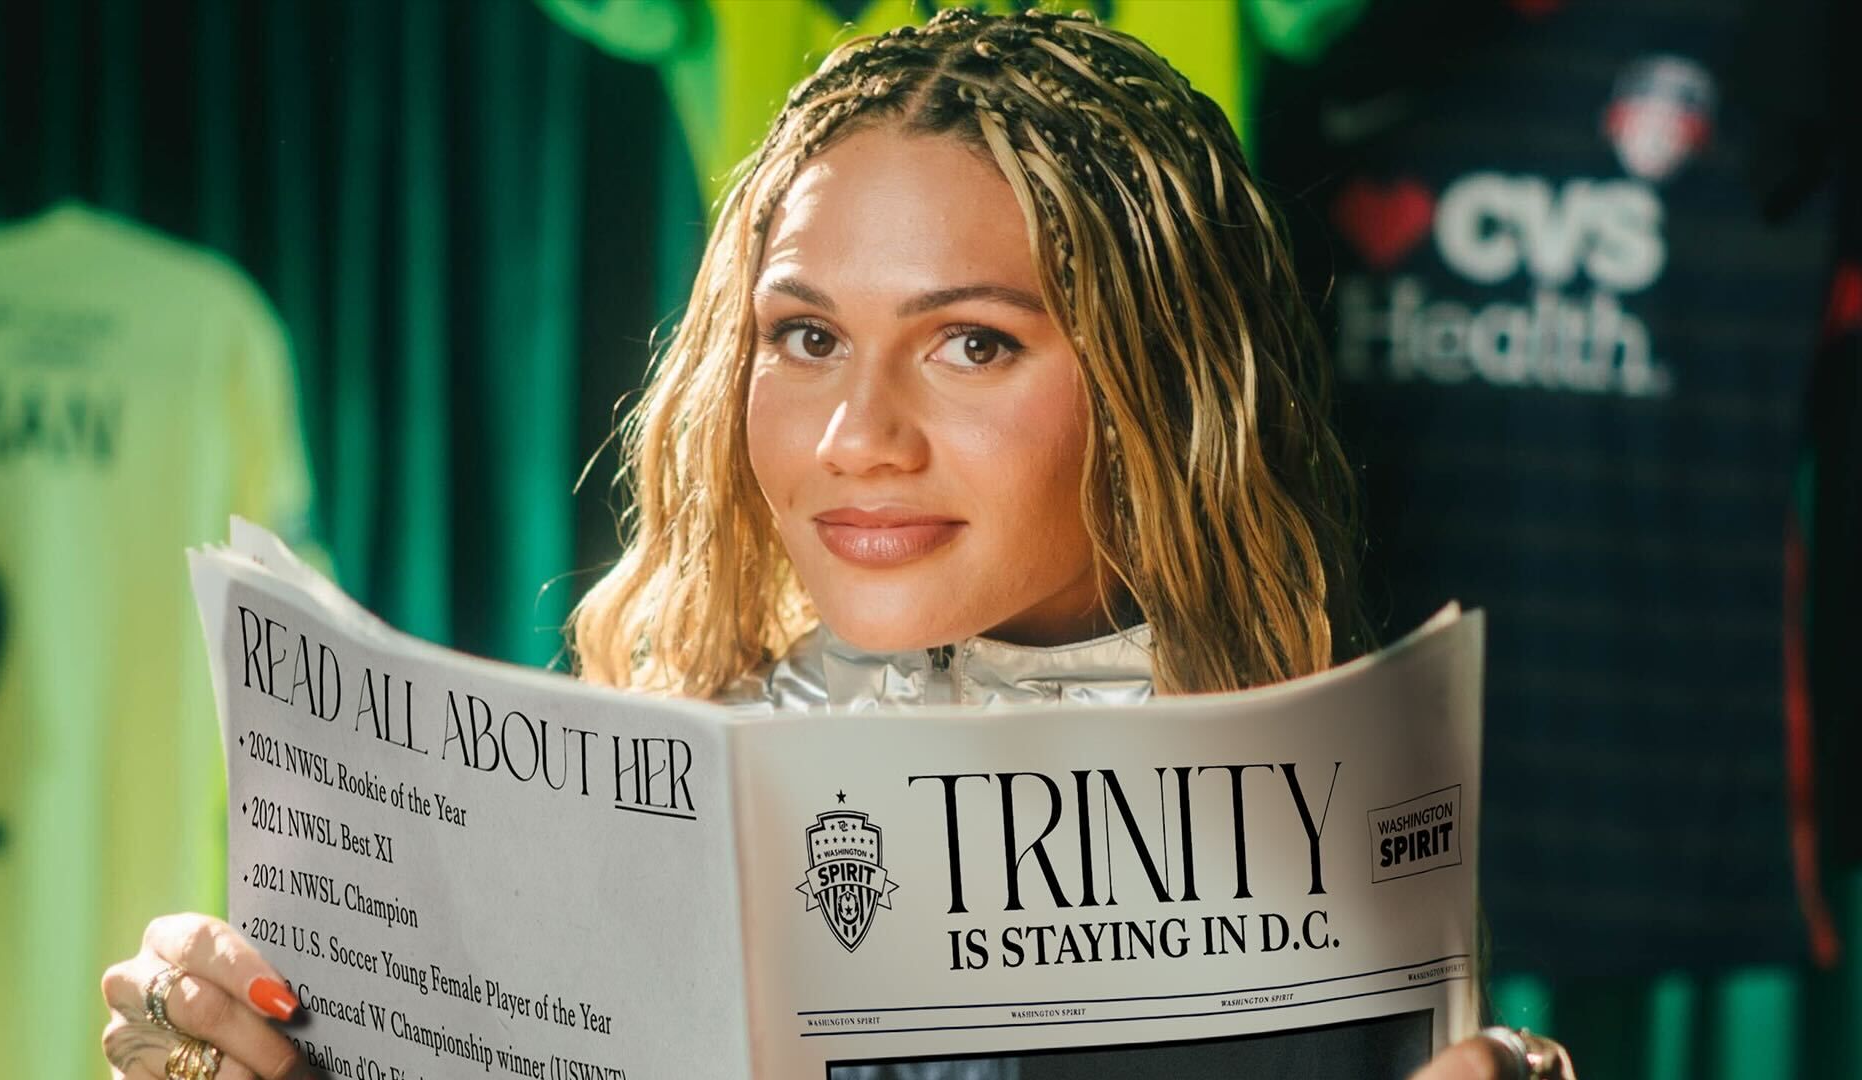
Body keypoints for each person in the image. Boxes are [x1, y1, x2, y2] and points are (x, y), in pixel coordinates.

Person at [99, 9, 1573, 1080]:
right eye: (805, 335)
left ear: (1157, 380)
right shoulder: (627, 815)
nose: (856, 433)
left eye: (971, 344)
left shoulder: (1333, 851)